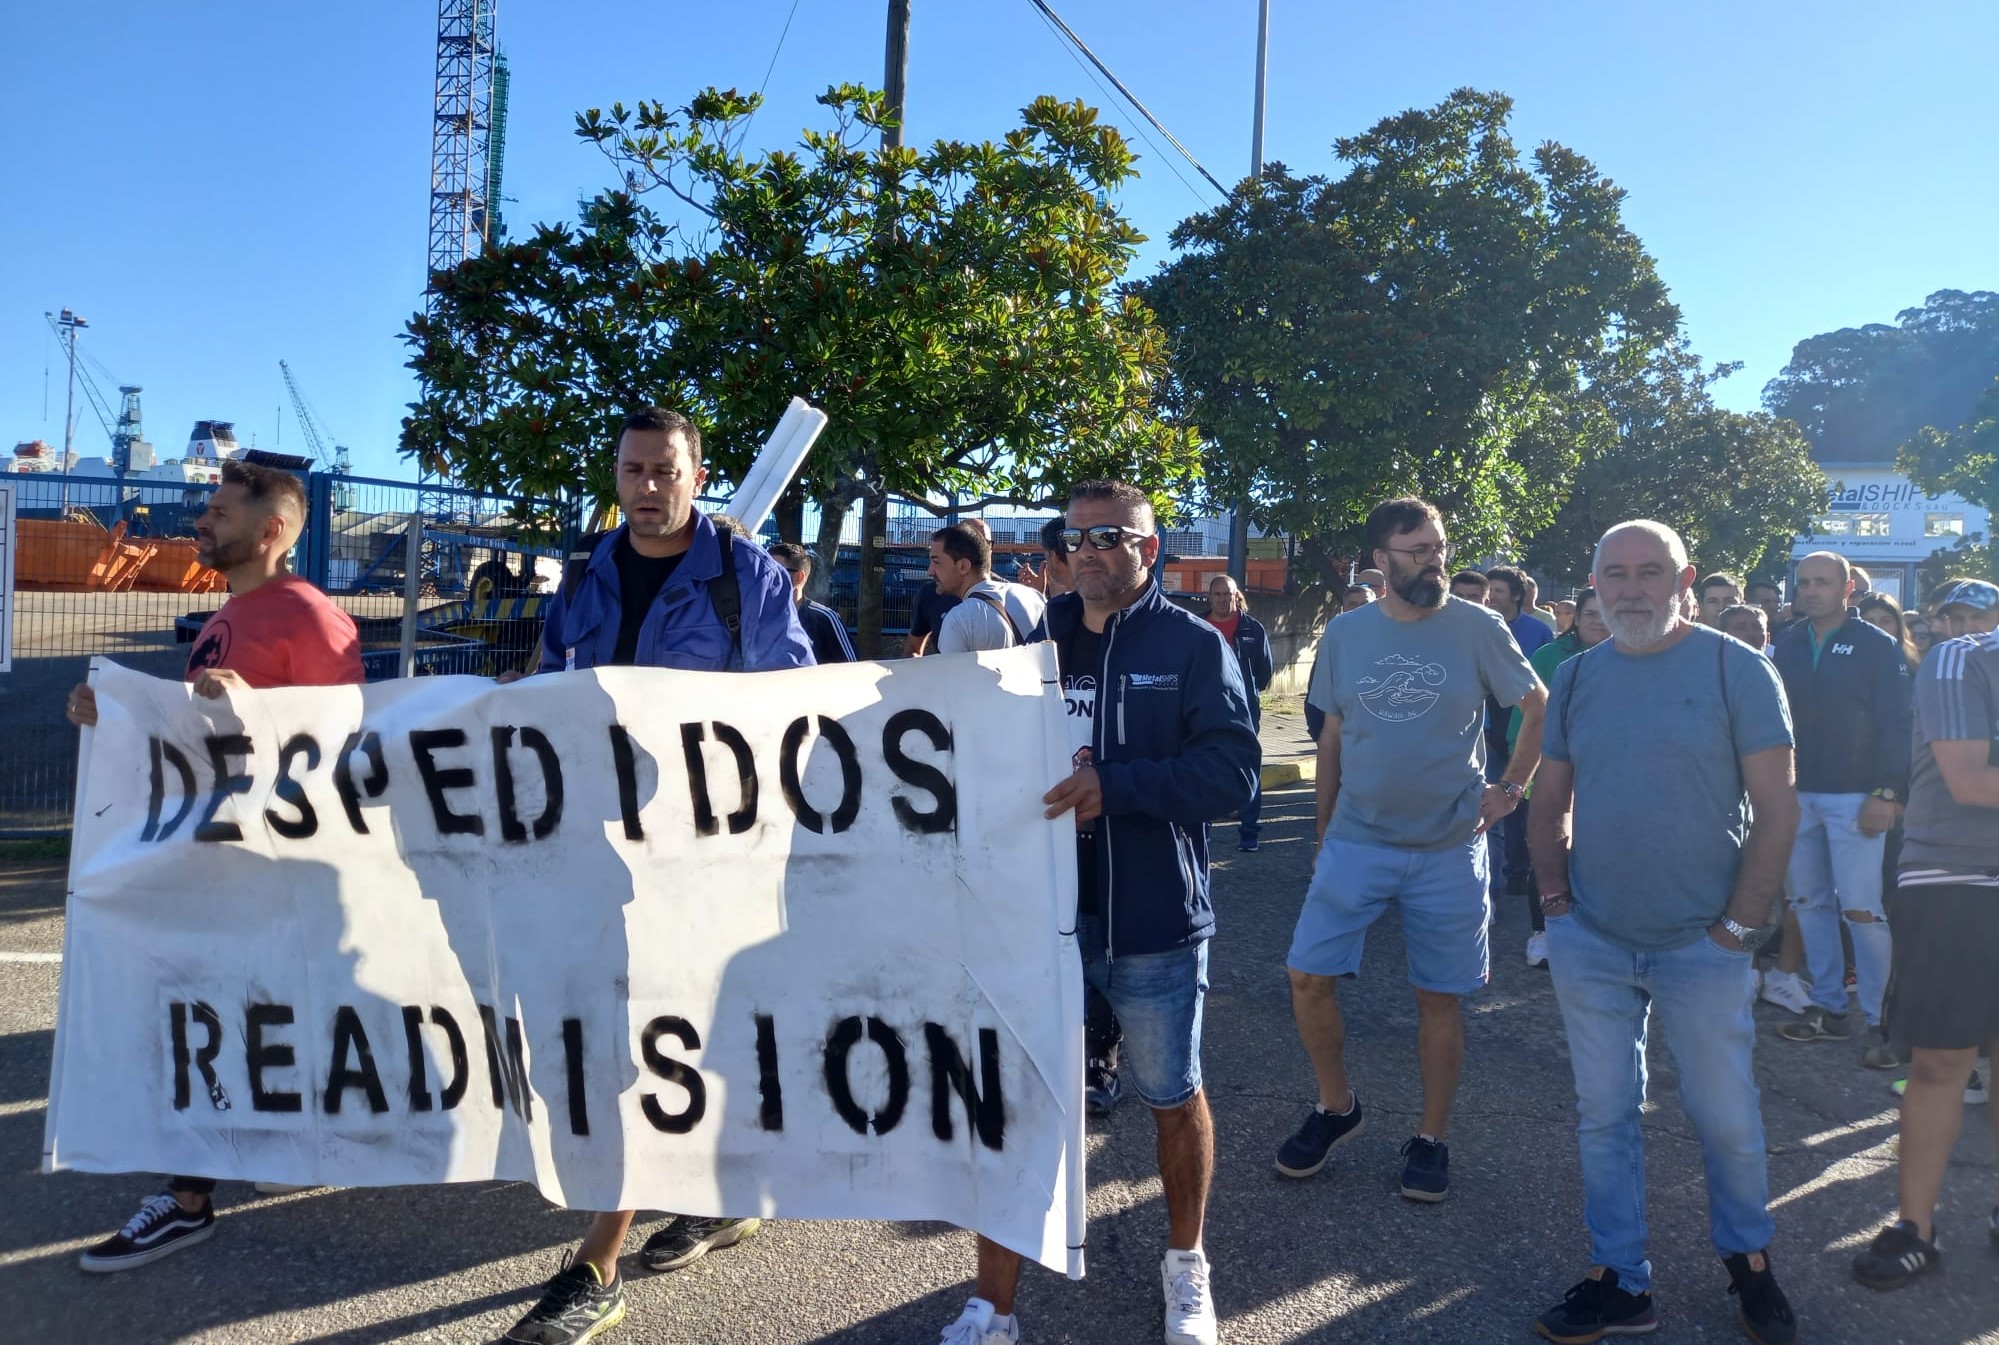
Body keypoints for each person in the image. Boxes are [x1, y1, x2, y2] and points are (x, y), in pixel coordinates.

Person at [506, 407, 814, 1345]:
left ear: (697, 475)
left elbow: (792, 704)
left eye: (664, 470)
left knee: (651, 1035)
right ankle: (722, 1187)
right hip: (593, 845)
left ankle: (597, 1266)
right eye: (633, 469)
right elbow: (550, 682)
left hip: (698, 852)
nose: (647, 486)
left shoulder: (745, 578)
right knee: (633, 1030)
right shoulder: (587, 571)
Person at [937, 479, 1259, 1345]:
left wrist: (1112, 787)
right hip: (1037, 919)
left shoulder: (1191, 645)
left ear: (1148, 550)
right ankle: (993, 1306)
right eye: (1073, 536)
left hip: (1151, 920)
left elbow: (1232, 774)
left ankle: (1185, 1264)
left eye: (1107, 535)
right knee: (1013, 1103)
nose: (1085, 550)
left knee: (1169, 1094)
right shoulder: (1038, 640)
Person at [70, 458, 366, 1272]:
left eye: (219, 512)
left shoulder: (309, 617)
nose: (202, 521)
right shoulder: (227, 615)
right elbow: (201, 736)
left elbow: (342, 740)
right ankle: (256, 1154)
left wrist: (257, 713)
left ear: (271, 530)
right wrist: (116, 718)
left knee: (219, 1020)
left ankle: (190, 1196)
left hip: (276, 870)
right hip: (220, 860)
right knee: (218, 1019)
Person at [1527, 519, 1800, 1345]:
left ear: (1685, 582)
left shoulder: (1735, 667)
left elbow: (1777, 809)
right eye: (1614, 573)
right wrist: (1554, 902)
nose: (1631, 588)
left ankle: (1748, 1261)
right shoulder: (1575, 676)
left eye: (1650, 571)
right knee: (1604, 1116)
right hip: (1593, 937)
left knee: (1725, 1118)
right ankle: (1619, 1278)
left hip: (1701, 944)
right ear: (1594, 585)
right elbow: (1549, 798)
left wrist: (1738, 926)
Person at [1279, 498, 1545, 1203]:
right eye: (1418, 550)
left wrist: (1510, 789)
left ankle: (1429, 1138)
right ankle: (1336, 1107)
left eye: (1439, 547)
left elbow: (1536, 705)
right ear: (1381, 559)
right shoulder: (1347, 632)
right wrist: (1322, 832)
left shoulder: (1478, 627)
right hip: (1356, 839)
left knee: (1438, 996)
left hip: (1449, 847)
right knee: (1306, 974)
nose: (1434, 561)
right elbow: (1332, 738)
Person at [1849, 578, 1999, 1290]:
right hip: (1955, 880)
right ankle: (1915, 1227)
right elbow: (1970, 780)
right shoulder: (1959, 657)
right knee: (1942, 1061)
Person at [1771, 552, 1911, 1067]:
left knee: (1862, 909)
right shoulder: (1786, 642)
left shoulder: (1877, 644)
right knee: (1808, 902)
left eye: (1822, 582)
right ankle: (1830, 1008)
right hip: (1796, 794)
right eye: (1804, 582)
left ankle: (1880, 1021)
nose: (1811, 591)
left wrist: (1886, 792)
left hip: (1857, 796)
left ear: (1847, 587)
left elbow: (1898, 722)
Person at [1512, 588, 1608, 968]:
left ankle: (1593, 931)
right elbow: (1526, 720)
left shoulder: (1634, 658)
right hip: (1553, 769)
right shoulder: (1549, 657)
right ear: (1576, 618)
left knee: (1597, 856)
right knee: (1549, 849)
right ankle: (1543, 932)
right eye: (1590, 614)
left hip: (1603, 775)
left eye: (1605, 614)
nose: (1598, 621)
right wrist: (1525, 772)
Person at [1207, 574, 1275, 851]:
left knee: (1247, 768)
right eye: (1218, 594)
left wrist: (1246, 693)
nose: (1223, 599)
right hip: (1204, 710)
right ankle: (1202, 831)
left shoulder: (1253, 629)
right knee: (1204, 768)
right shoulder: (1197, 626)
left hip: (1244, 711)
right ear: (1209, 597)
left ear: (1236, 596)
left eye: (1228, 594)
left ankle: (1249, 833)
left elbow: (1264, 672)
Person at [929, 522, 1047, 653]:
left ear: (963, 566)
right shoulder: (1034, 596)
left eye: (936, 562)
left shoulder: (959, 619)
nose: (930, 571)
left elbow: (952, 667)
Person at [768, 541, 856, 665]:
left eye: (773, 572)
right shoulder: (755, 618)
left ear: (798, 577)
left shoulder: (825, 619)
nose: (764, 578)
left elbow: (852, 669)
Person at [1859, 592, 1921, 672]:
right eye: (1869, 622)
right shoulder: (1847, 662)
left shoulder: (1912, 664)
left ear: (1898, 624)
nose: (1877, 627)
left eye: (1885, 621)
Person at [906, 576, 962, 656]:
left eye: (940, 568)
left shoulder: (977, 599)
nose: (930, 572)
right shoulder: (929, 592)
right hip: (945, 663)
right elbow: (913, 648)